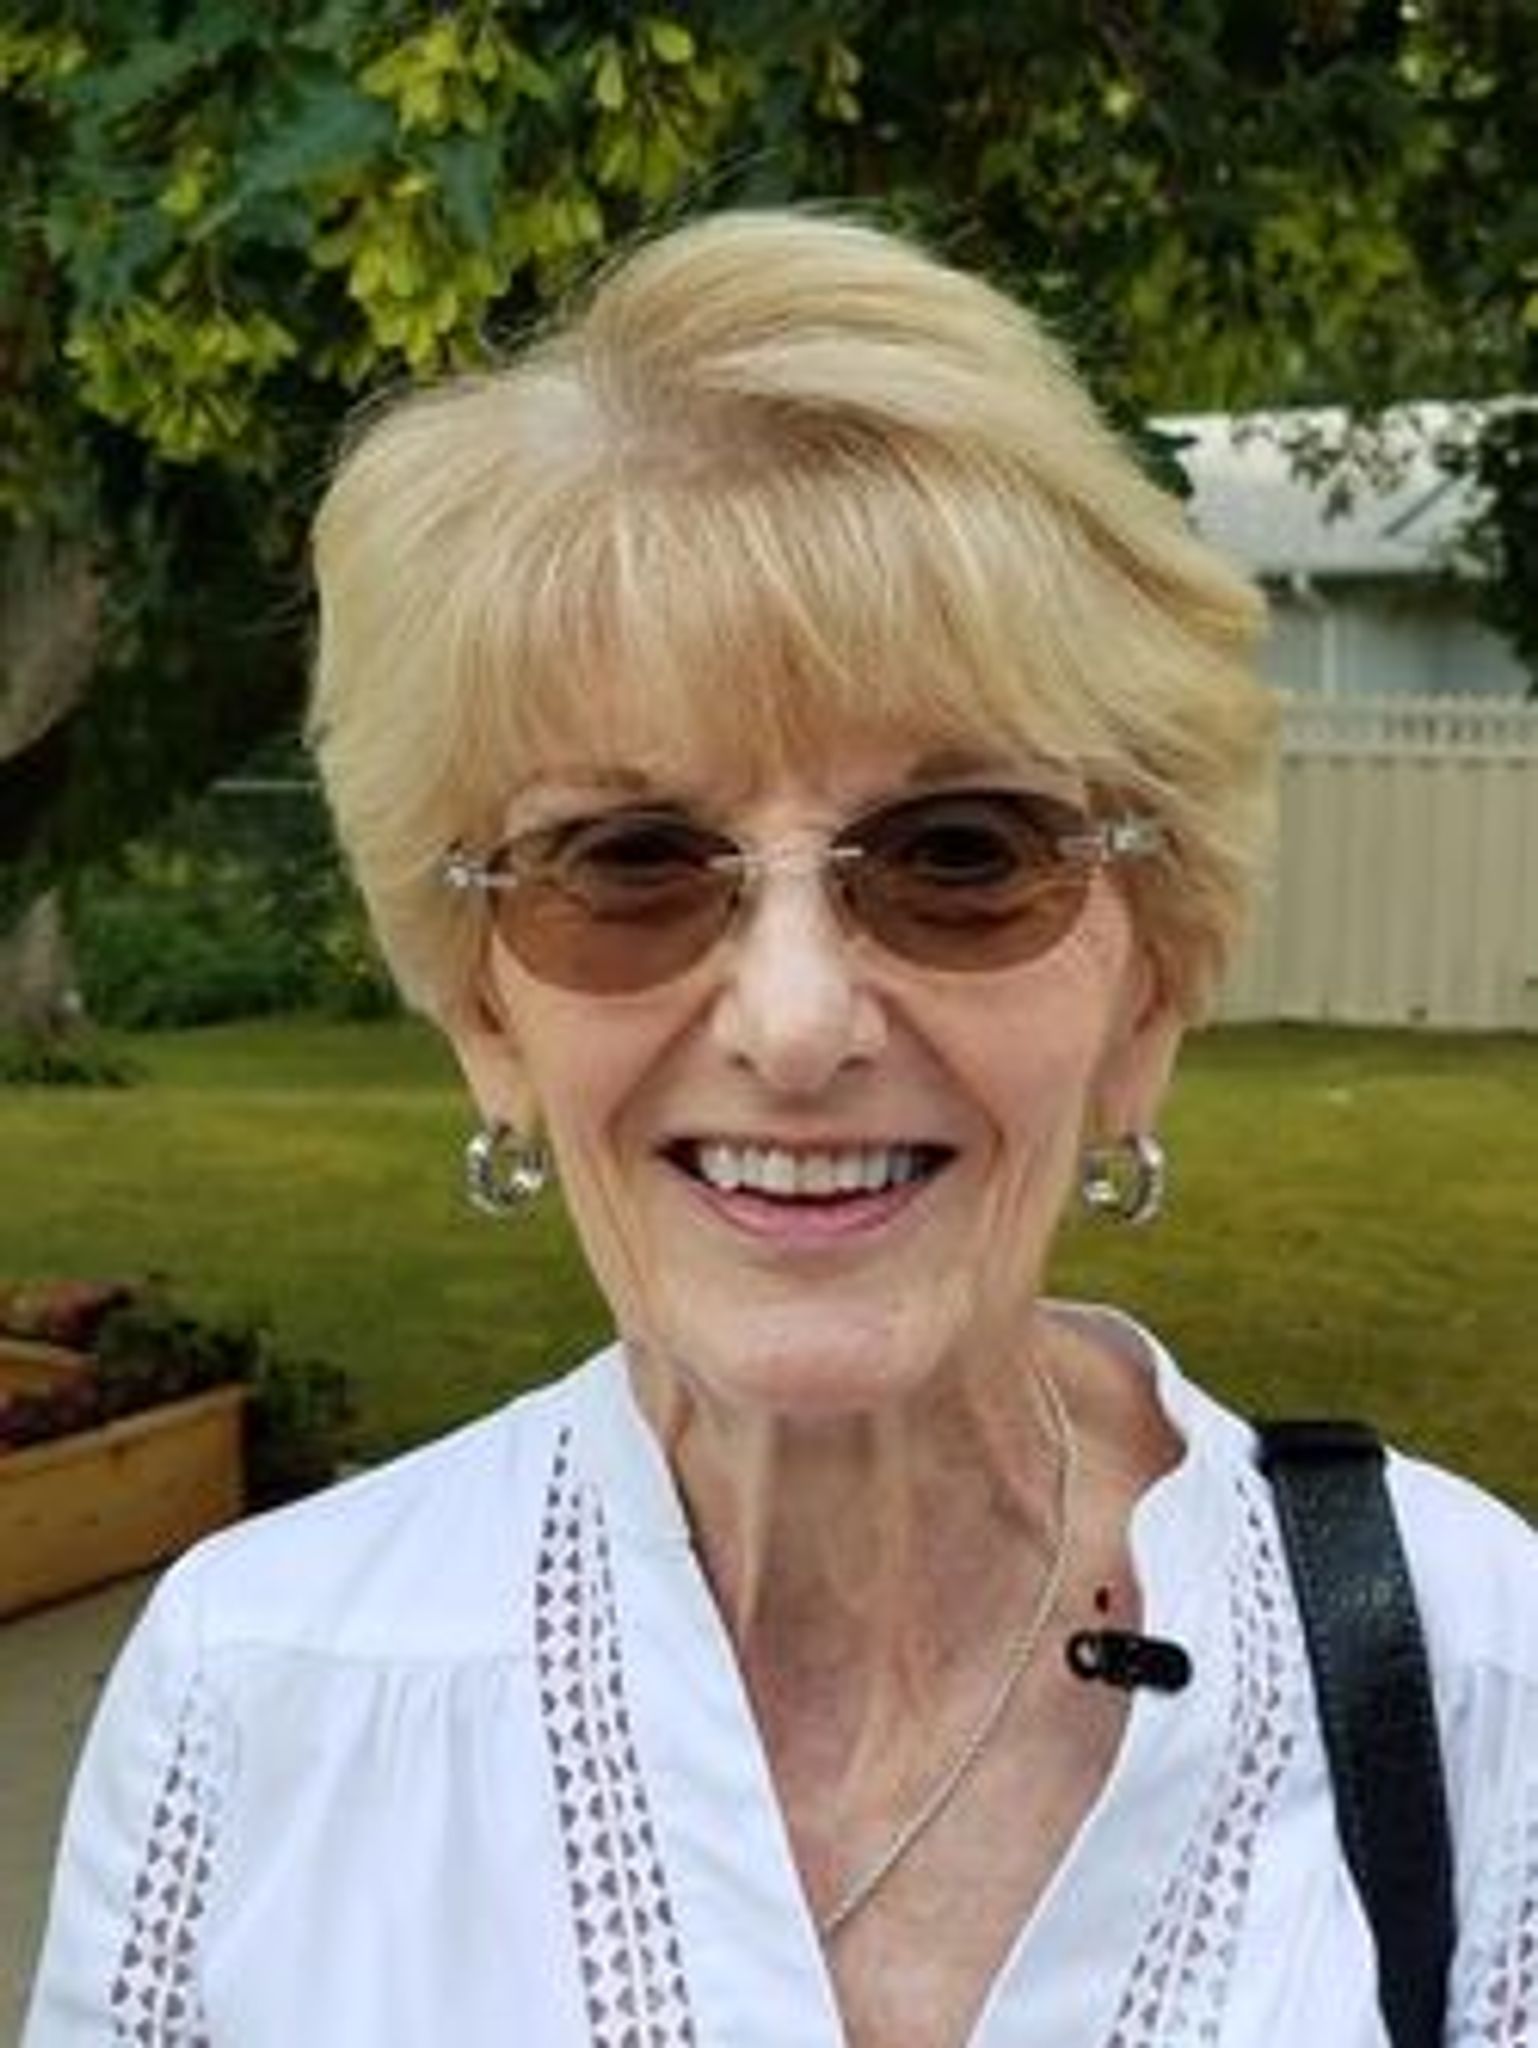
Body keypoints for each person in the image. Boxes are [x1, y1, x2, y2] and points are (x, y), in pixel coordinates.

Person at [23, 210, 1536, 2048]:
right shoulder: (259, 1695)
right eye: (629, 862)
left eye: (960, 854)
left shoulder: (1475, 1672)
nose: (797, 1023)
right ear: (486, 1014)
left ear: (1148, 993)